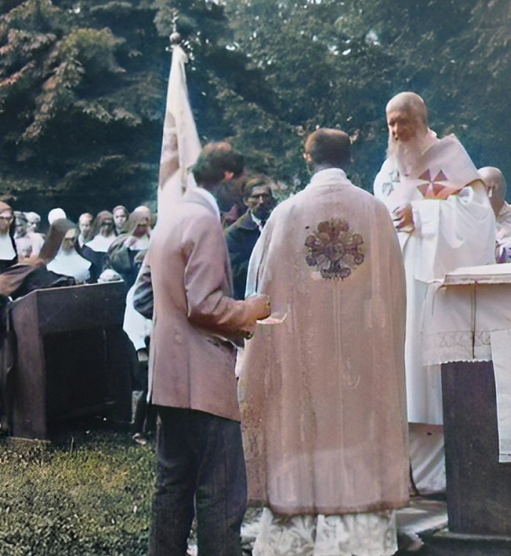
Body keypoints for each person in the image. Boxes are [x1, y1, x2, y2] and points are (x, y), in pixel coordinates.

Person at [240, 129, 409, 556]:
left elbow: (263, 288)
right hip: (359, 348)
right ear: (349, 158)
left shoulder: (287, 212)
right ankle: (356, 536)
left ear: (307, 157)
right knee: (354, 429)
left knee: (305, 430)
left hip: (304, 349)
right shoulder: (375, 211)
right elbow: (392, 291)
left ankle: (300, 531)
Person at [146, 147, 272, 556]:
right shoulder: (204, 222)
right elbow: (204, 304)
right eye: (240, 184)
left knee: (173, 483)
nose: (242, 193)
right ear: (229, 176)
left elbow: (147, 295)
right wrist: (248, 311)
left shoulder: (172, 216)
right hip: (202, 380)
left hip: (167, 376)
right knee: (220, 489)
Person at [373, 92, 496, 495]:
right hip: (396, 284)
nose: (395, 130)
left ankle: (441, 480)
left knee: (429, 374)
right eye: (390, 123)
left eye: (402, 121)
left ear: (421, 119)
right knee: (401, 375)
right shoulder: (388, 172)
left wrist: (422, 215)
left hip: (433, 286)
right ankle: (404, 475)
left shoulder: (451, 161)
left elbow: (479, 218)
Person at [0, 219, 79, 433]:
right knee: (5, 364)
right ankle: (8, 417)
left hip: (29, 329)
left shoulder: (36, 269)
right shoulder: (16, 271)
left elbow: (51, 285)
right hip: (0, 334)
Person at [225, 175, 277, 300]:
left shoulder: (280, 225)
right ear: (246, 201)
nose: (261, 201)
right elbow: (232, 272)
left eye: (265, 196)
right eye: (255, 197)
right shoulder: (234, 233)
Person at [107, 209, 151, 289]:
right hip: (129, 280)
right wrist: (125, 247)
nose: (142, 228)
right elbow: (114, 261)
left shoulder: (150, 238)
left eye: (144, 225)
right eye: (139, 226)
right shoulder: (123, 239)